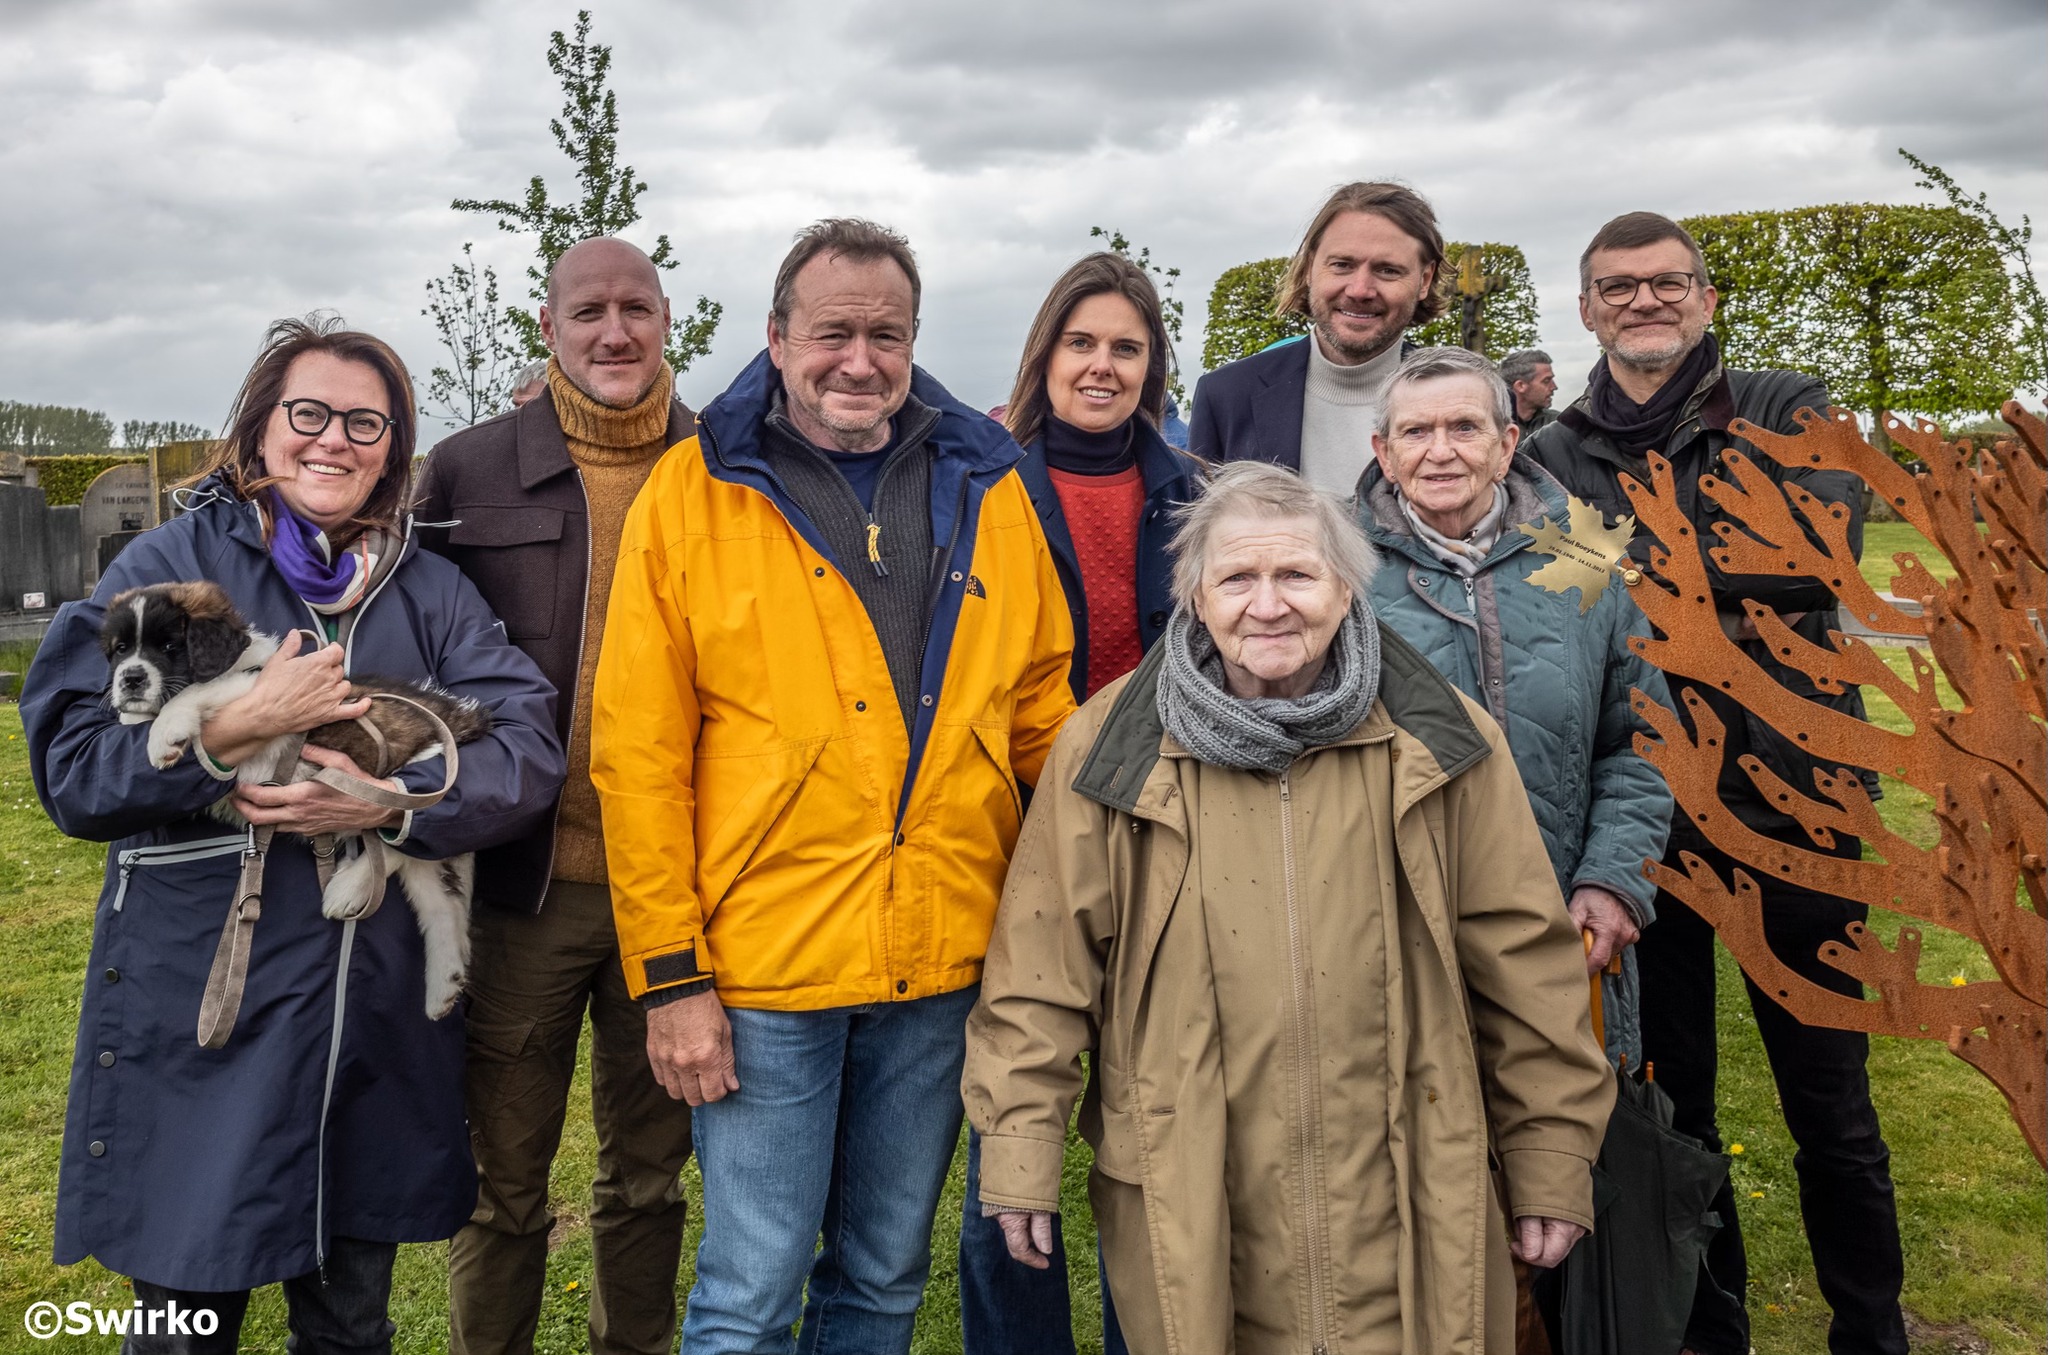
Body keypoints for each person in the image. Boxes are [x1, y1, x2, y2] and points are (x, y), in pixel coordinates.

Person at [963, 460, 1613, 1355]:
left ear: (1347, 589)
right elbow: (1041, 969)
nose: (1268, 605)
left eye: (1298, 574)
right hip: (1195, 1190)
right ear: (1194, 595)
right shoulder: (1111, 746)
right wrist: (1020, 1152)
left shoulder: (1441, 739)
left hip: (1410, 1191)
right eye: (1237, 577)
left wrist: (1549, 1155)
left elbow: (1526, 965)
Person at [20, 315, 564, 1352]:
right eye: (309, 412)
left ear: (394, 451)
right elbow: (77, 769)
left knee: (351, 1316)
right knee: (184, 1316)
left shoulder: (429, 590)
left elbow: (526, 747)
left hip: (369, 1021)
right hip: (205, 1006)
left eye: (367, 423)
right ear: (262, 427)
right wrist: (233, 729)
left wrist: (391, 798)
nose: (335, 440)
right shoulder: (170, 564)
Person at [590, 218, 1077, 1355]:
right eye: (831, 333)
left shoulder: (986, 483)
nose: (858, 360)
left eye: (885, 334)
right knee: (749, 1292)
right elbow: (639, 753)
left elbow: (1040, 713)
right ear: (774, 336)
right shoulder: (692, 493)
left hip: (944, 959)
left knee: (880, 1276)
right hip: (765, 975)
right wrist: (670, 979)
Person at [1522, 211, 1906, 1355]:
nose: (1644, 301)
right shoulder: (1550, 452)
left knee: (1829, 1101)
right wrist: (1701, 566)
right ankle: (1707, 1329)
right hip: (1646, 815)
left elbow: (1803, 555)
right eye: (1617, 287)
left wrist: (1645, 567)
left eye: (1666, 282)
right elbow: (1574, 604)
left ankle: (1870, 1330)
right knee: (1672, 1100)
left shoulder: (1789, 404)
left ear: (1705, 297)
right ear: (1586, 308)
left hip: (1798, 805)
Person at [413, 236, 700, 1355]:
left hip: (673, 887)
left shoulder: (725, 463)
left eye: (635, 307)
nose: (614, 331)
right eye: (589, 310)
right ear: (549, 326)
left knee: (650, 1175)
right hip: (520, 886)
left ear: (667, 317)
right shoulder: (468, 470)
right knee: (500, 1179)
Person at [957, 251, 1201, 1355]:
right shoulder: (979, 484)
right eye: (1082, 343)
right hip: (1019, 828)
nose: (1100, 366)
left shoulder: (1196, 492)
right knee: (1010, 1115)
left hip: (1171, 823)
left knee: (1160, 1122)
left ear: (1152, 368)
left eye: (1125, 348)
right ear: (1044, 352)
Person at [1358, 344, 1669, 1066]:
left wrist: (1613, 880)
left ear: (1505, 446)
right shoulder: (1338, 566)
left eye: (1464, 428)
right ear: (1383, 449)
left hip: (1562, 920)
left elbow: (1642, 739)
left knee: (1561, 1149)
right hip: (1396, 929)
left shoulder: (1587, 553)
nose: (1440, 452)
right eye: (1415, 432)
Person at [1187, 181, 1446, 494]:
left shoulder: (1473, 401)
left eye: (1388, 270)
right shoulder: (1227, 396)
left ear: (1425, 280)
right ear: (1310, 267)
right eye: (1341, 265)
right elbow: (1198, 537)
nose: (1359, 290)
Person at [1499, 348, 1558, 437]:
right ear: (1520, 386)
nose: (1554, 387)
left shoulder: (1560, 424)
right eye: (1546, 381)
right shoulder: (1493, 426)